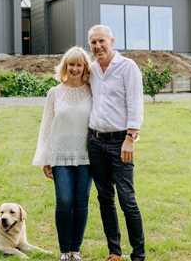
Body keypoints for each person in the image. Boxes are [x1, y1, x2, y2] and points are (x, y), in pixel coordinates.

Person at [87, 25, 145, 261]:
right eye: (93, 43)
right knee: (104, 198)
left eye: (101, 41)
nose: (98, 46)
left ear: (111, 40)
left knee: (127, 199)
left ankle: (138, 255)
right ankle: (114, 251)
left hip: (120, 141)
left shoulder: (127, 67)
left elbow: (135, 102)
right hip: (95, 141)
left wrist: (130, 138)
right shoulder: (91, 69)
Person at [32, 46, 93, 261]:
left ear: (85, 66)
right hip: (59, 156)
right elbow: (46, 127)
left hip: (86, 157)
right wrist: (45, 158)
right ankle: (64, 250)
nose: (75, 68)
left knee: (81, 202)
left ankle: (75, 249)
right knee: (65, 201)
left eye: (79, 64)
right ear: (65, 66)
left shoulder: (92, 90)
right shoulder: (54, 93)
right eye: (71, 64)